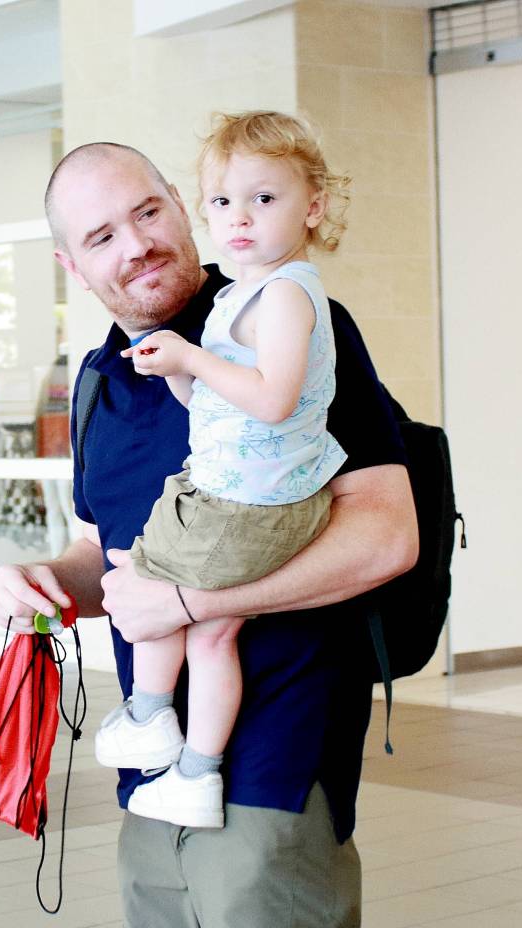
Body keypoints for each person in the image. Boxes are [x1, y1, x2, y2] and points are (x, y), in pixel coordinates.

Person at [0, 118, 418, 928]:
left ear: (181, 208)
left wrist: (192, 598)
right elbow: (99, 552)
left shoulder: (282, 321)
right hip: (155, 770)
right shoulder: (103, 378)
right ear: (74, 265)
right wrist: (41, 583)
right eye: (102, 235)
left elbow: (385, 538)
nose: (137, 244)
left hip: (273, 761)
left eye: (148, 212)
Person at [93, 111, 350, 831]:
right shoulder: (246, 293)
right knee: (208, 635)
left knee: (145, 579)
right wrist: (178, 371)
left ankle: (149, 718)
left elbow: (271, 398)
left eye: (263, 199)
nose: (238, 218)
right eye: (223, 202)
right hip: (247, 495)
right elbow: (216, 398)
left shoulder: (288, 294)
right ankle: (195, 768)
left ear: (314, 205)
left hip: (247, 502)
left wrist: (190, 358)